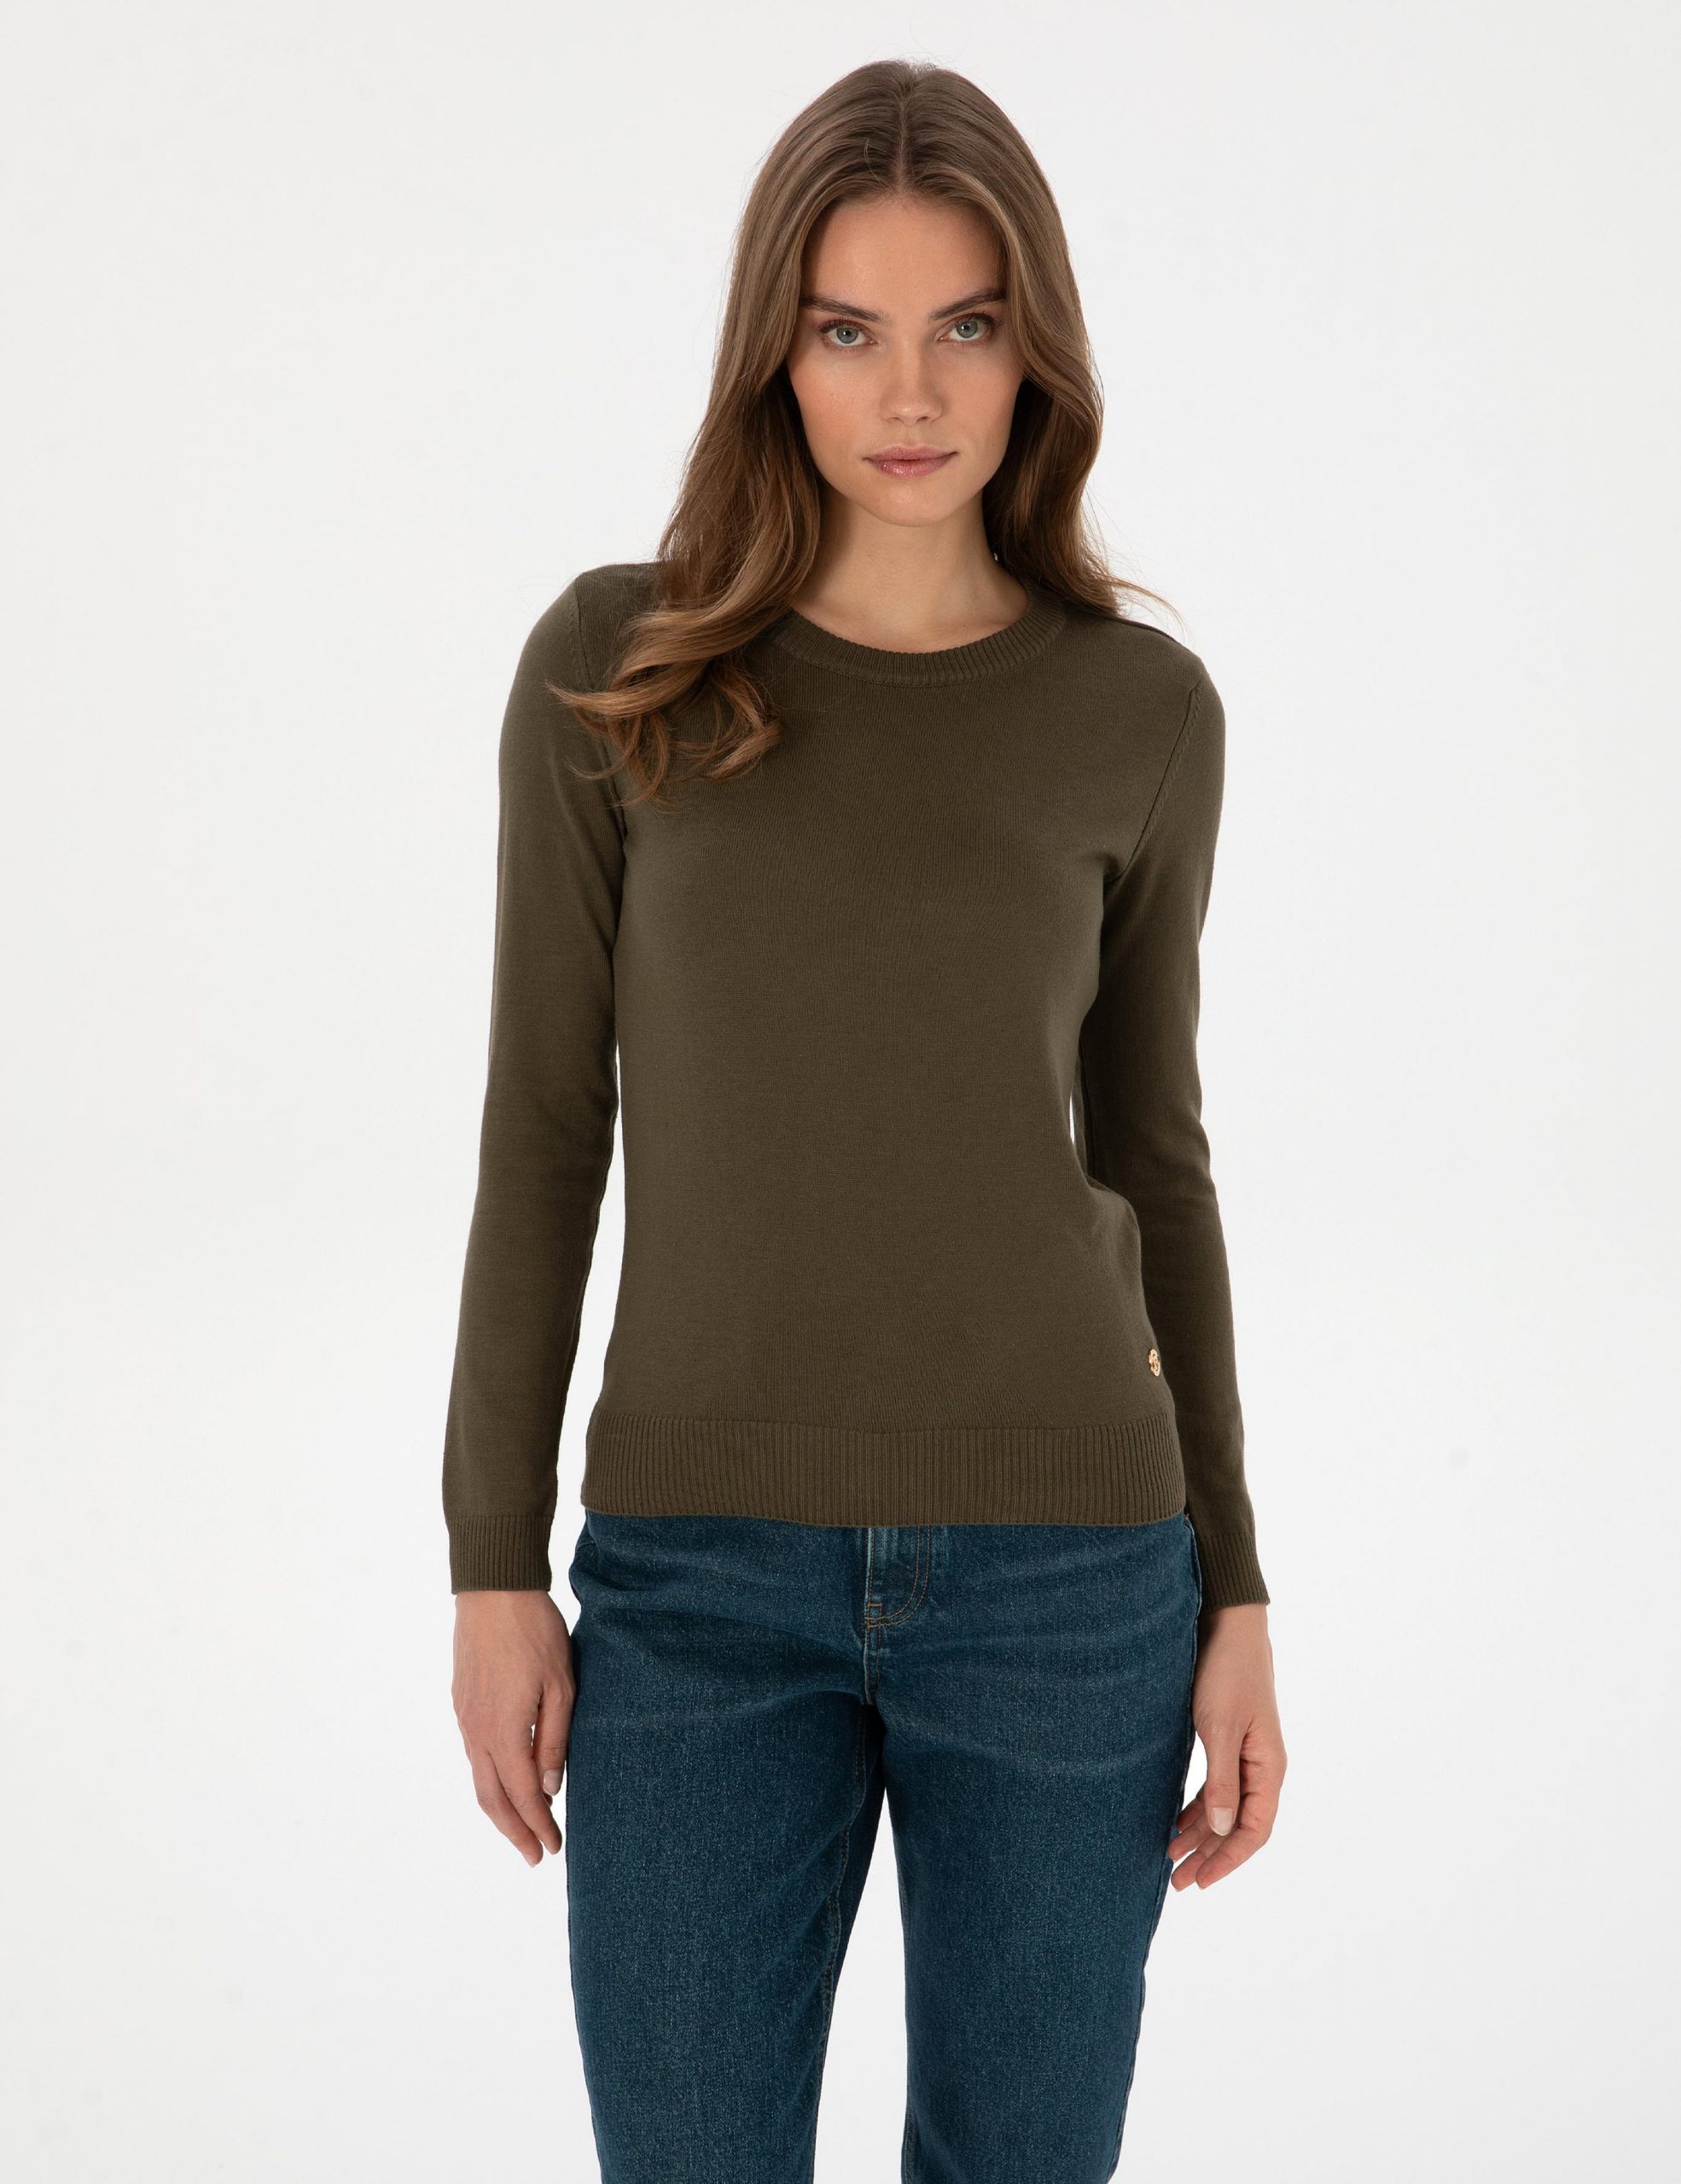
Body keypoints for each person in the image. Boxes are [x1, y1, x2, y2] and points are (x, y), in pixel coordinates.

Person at [443, 55, 1286, 2183]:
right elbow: (541, 1128)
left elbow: (1155, 1157)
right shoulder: (619, 669)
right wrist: (490, 1560)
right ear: (776, 351)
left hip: (1072, 1584)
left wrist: (1240, 1586)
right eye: (847, 328)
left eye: (965, 324)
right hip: (696, 1582)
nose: (909, 391)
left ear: (1035, 348)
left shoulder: (1137, 710)